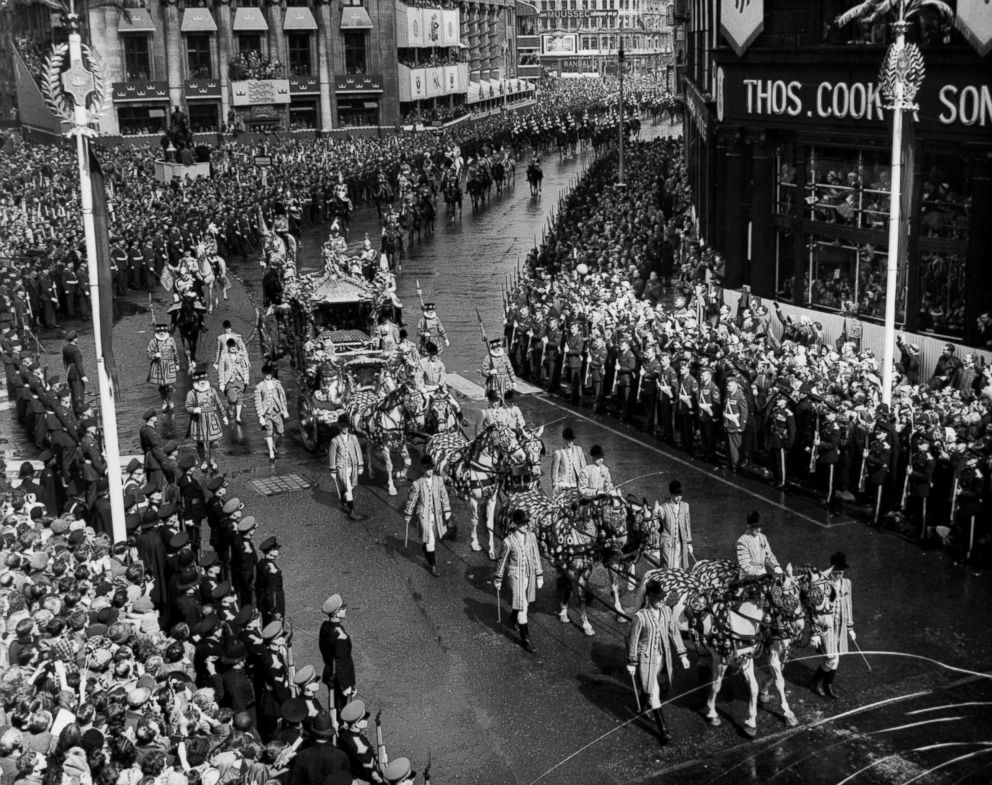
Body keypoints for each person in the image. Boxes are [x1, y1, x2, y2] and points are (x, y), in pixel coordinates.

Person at [626, 582, 690, 745]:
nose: (662, 601)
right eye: (658, 598)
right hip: (646, 658)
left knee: (652, 684)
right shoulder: (640, 617)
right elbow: (633, 640)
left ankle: (642, 700)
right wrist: (632, 662)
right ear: (649, 598)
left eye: (663, 598)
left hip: (663, 656)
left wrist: (682, 655)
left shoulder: (667, 611)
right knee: (655, 690)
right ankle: (663, 730)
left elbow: (674, 632)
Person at [494, 509, 544, 653]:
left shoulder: (532, 537)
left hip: (529, 575)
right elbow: (502, 561)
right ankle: (525, 639)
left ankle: (513, 616)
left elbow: (536, 556)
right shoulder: (508, 542)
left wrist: (539, 574)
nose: (526, 526)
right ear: (515, 524)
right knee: (523, 607)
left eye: (526, 523)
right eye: (522, 524)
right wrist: (498, 578)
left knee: (525, 602)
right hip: (515, 576)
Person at [810, 551, 856, 700]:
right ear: (832, 570)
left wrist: (850, 627)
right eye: (837, 572)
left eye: (842, 572)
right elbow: (815, 610)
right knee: (832, 658)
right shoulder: (823, 585)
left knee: (835, 658)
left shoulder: (847, 583)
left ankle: (827, 683)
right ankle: (817, 682)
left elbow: (848, 605)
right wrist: (815, 632)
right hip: (826, 627)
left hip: (841, 626)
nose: (840, 575)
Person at [402, 454, 452, 575]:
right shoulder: (417, 483)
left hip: (436, 514)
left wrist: (447, 509)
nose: (430, 471)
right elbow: (412, 500)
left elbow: (444, 495)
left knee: (433, 536)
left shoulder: (438, 480)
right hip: (424, 515)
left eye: (431, 468)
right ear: (423, 469)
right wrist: (408, 514)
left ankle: (426, 549)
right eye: (427, 469)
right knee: (430, 539)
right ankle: (433, 565)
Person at [288, 712, 352, 785]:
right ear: (330, 734)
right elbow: (346, 780)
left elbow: (295, 782)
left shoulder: (302, 755)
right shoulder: (341, 756)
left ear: (314, 732)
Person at [319, 594, 356, 717]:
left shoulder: (325, 627)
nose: (345, 609)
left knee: (333, 705)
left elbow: (323, 648)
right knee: (341, 710)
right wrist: (345, 686)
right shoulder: (341, 637)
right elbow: (341, 662)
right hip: (340, 678)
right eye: (342, 608)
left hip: (329, 671)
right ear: (336, 613)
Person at [185, 366, 228, 472]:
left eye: (203, 380)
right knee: (200, 443)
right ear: (195, 381)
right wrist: (195, 410)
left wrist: (224, 416)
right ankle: (203, 461)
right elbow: (187, 407)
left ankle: (212, 461)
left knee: (215, 443)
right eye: (199, 380)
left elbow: (219, 403)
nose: (202, 382)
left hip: (212, 420)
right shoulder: (191, 393)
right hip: (198, 421)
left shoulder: (212, 390)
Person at [336, 700, 383, 784]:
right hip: (363, 778)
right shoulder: (358, 744)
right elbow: (369, 769)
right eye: (364, 719)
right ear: (356, 725)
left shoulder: (346, 736)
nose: (366, 720)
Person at [329, 414, 363, 519]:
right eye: (343, 426)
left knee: (351, 486)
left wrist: (360, 465)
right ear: (339, 427)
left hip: (353, 466)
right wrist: (333, 469)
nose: (345, 428)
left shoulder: (353, 438)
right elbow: (332, 455)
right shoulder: (335, 440)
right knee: (349, 489)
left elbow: (358, 451)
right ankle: (352, 511)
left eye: (346, 426)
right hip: (341, 468)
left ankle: (343, 498)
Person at [254, 363, 290, 462]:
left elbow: (282, 398)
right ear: (263, 374)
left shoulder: (277, 384)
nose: (268, 375)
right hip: (267, 413)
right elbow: (257, 402)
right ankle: (271, 451)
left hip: (277, 412)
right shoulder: (259, 386)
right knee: (269, 432)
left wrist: (284, 410)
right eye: (266, 374)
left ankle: (273, 443)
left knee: (280, 431)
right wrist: (260, 416)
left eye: (270, 373)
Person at [735, 510, 781, 579]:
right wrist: (759, 573)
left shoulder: (763, 537)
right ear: (749, 526)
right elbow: (745, 565)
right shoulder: (742, 541)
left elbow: (768, 555)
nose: (759, 530)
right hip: (748, 578)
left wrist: (776, 566)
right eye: (756, 527)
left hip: (762, 574)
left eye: (760, 527)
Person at [658, 480, 693, 570]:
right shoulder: (663, 508)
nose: (678, 497)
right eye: (676, 495)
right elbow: (658, 527)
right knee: (669, 569)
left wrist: (689, 543)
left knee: (681, 568)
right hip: (668, 545)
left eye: (680, 495)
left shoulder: (685, 506)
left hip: (682, 544)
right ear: (671, 494)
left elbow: (687, 524)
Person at [146, 323, 180, 412]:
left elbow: (175, 352)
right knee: (162, 387)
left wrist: (177, 363)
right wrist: (155, 355)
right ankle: (164, 402)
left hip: (170, 365)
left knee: (170, 387)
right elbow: (149, 354)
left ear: (166, 331)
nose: (161, 333)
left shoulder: (171, 340)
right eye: (159, 331)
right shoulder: (153, 341)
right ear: (157, 331)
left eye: (163, 331)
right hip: (158, 366)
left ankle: (170, 401)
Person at [218, 337, 251, 424]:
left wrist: (246, 378)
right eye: (231, 347)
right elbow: (221, 370)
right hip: (230, 381)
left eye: (234, 346)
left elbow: (245, 367)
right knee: (232, 399)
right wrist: (221, 383)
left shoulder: (240, 355)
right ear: (228, 347)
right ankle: (231, 410)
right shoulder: (224, 356)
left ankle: (238, 417)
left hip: (240, 380)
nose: (233, 348)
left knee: (240, 399)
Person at [256, 536, 285, 625]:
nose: (278, 551)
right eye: (276, 549)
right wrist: (275, 610)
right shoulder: (272, 571)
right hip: (273, 605)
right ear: (271, 551)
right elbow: (272, 592)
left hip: (264, 603)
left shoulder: (262, 563)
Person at [551, 426, 586, 495]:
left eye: (572, 440)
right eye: (569, 440)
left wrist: (585, 481)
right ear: (564, 439)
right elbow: (554, 471)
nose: (571, 442)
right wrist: (555, 484)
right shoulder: (558, 453)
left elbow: (584, 467)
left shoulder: (578, 450)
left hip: (577, 483)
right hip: (564, 484)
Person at [61, 331, 86, 415]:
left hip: (69, 371)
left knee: (73, 392)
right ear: (74, 339)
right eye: (76, 338)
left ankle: (76, 411)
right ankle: (79, 412)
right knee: (79, 394)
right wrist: (83, 375)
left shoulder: (65, 348)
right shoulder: (76, 350)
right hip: (76, 373)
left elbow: (65, 362)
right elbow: (79, 364)